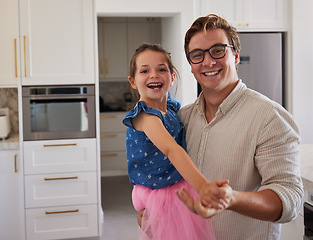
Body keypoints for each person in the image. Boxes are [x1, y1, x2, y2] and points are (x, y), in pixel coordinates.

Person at [175, 14, 304, 240]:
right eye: (197, 55)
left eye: (217, 50)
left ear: (235, 55)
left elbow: (290, 199)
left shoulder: (269, 117)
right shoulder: (183, 117)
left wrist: (230, 199)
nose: (208, 61)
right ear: (191, 66)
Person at [122, 43, 231, 240]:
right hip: (160, 193)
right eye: (145, 70)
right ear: (133, 81)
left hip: (175, 186)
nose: (154, 75)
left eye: (161, 69)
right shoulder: (144, 116)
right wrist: (203, 186)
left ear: (172, 78)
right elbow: (172, 150)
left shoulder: (170, 108)